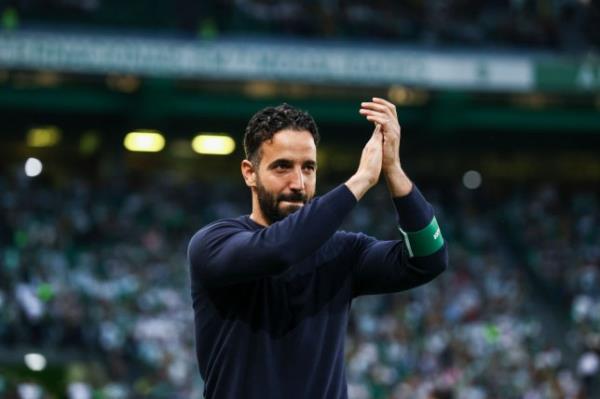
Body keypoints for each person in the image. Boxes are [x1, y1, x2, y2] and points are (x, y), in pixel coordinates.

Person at [187, 98, 448, 398]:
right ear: (249, 172)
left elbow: (429, 258)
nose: (298, 182)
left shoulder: (342, 251)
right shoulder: (213, 243)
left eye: (308, 168)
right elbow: (280, 251)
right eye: (282, 167)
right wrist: (361, 180)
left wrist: (394, 170)